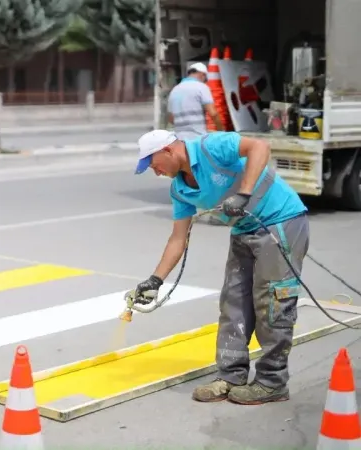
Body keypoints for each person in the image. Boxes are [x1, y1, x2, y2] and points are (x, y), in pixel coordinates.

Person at [132, 129, 309, 405]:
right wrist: (155, 280)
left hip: (280, 220)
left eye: (154, 165)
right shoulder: (180, 189)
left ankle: (272, 382)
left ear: (168, 151)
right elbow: (178, 238)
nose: (156, 172)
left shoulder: (210, 147)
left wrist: (244, 193)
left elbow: (260, 146)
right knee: (233, 302)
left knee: (272, 302)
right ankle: (230, 376)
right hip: (243, 229)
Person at [167, 62, 223, 140]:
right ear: (202, 74)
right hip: (197, 138)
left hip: (180, 140)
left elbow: (171, 118)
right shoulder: (201, 87)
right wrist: (222, 132)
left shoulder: (174, 90)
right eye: (205, 78)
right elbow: (213, 113)